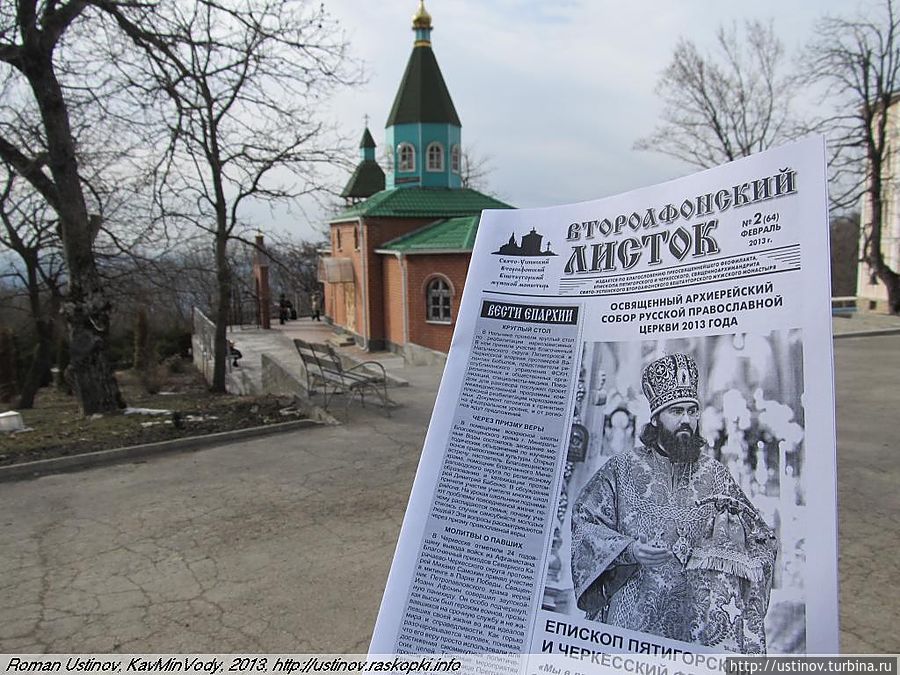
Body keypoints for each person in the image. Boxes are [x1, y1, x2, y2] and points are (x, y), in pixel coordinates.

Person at [571, 353, 778, 654]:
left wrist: (726, 548)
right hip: (630, 624)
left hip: (693, 628)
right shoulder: (621, 469)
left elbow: (760, 540)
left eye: (692, 411)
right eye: (677, 411)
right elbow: (584, 522)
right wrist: (628, 550)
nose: (686, 420)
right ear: (655, 417)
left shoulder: (716, 475)